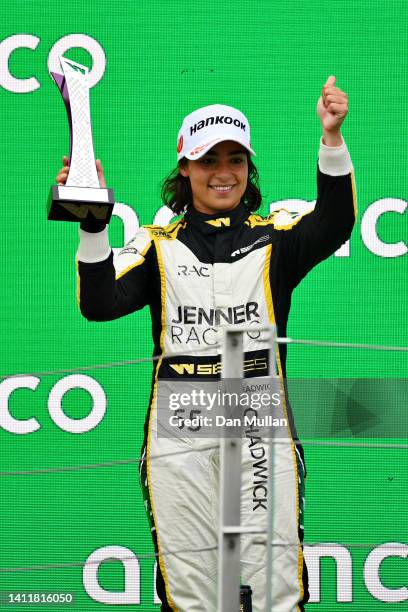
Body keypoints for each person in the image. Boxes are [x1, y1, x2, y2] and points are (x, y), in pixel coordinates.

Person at [56, 75, 356, 611]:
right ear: (185, 169)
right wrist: (93, 224)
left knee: (274, 585)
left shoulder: (276, 237)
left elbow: (335, 222)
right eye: (208, 160)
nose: (223, 173)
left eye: (235, 160)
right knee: (193, 587)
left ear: (249, 168)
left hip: (258, 416)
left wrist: (331, 138)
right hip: (180, 426)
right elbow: (99, 304)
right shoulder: (154, 245)